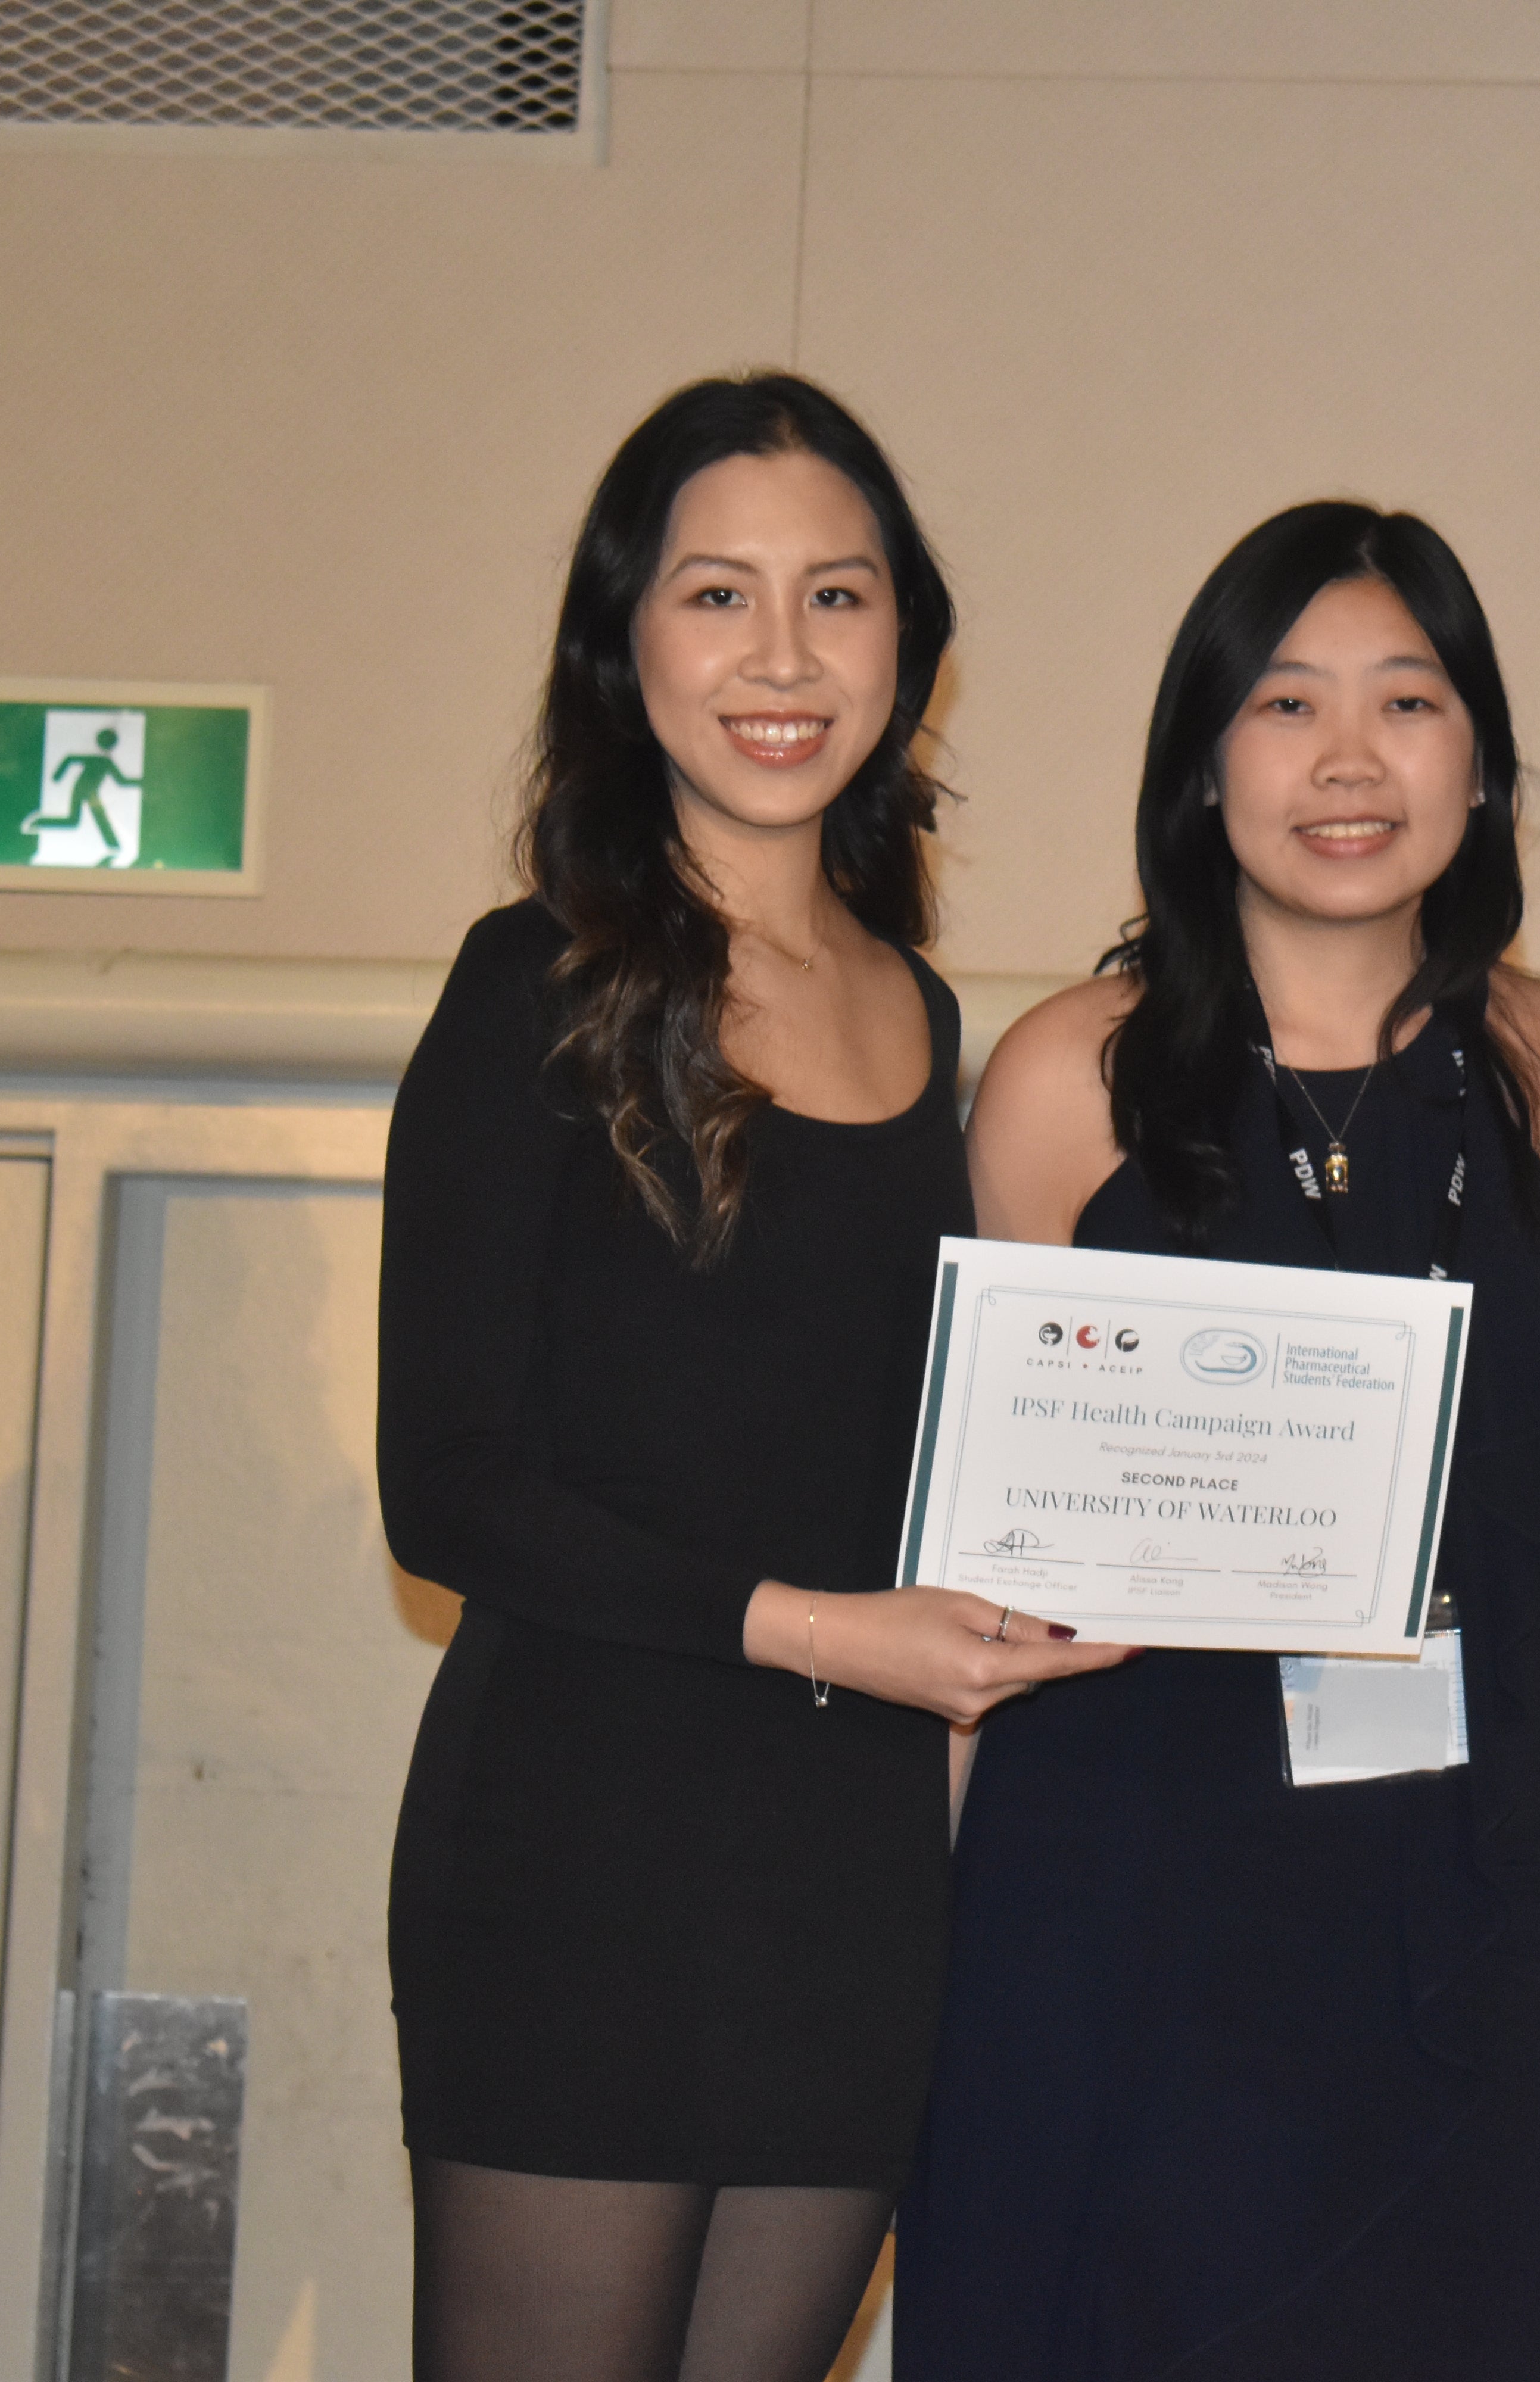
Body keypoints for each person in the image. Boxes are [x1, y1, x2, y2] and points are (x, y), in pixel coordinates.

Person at [894, 501, 1540, 2380]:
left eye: (1408, 703)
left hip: (1460, 1933)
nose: (1350, 762)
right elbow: (968, 1587)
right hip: (1105, 1941)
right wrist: (896, 1986)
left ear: (1484, 765)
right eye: (1287, 706)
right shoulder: (1071, 1081)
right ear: (1204, 768)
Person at [378, 371, 1123, 2382]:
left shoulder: (927, 1009)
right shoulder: (526, 981)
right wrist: (826, 1633)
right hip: (578, 1857)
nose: (782, 658)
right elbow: (446, 1491)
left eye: (838, 596)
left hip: (848, 1878)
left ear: (910, 643)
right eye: (717, 596)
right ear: (624, 650)